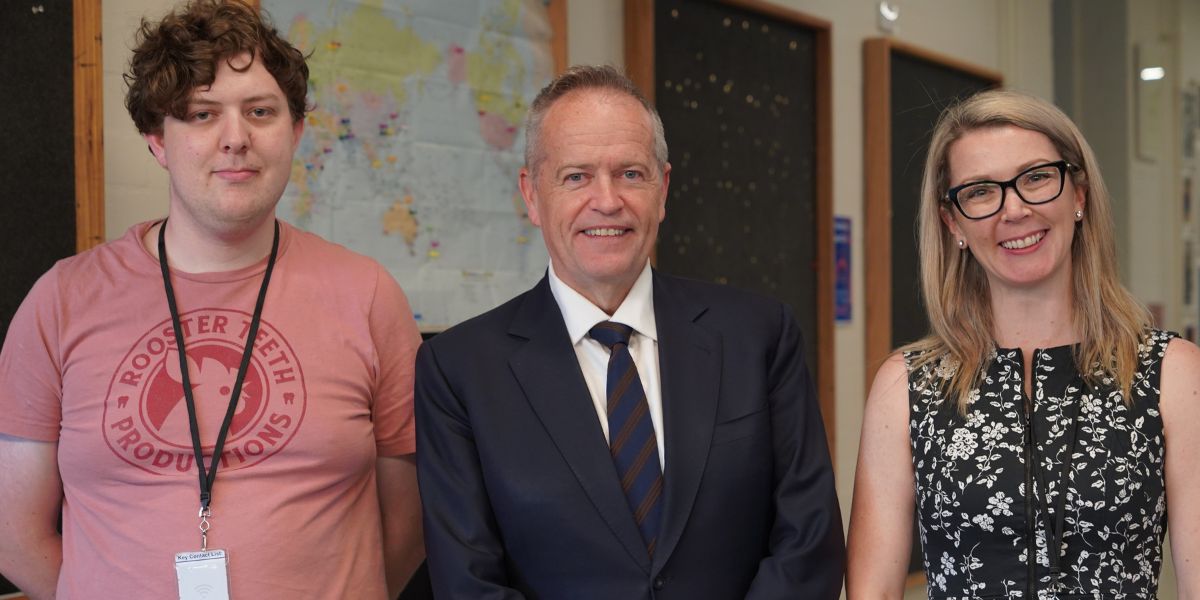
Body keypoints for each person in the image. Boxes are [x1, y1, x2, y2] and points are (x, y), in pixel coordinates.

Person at [0, 1, 425, 597]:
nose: (236, 139)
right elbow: (14, 532)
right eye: (201, 114)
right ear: (157, 140)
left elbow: (406, 525)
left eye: (261, 111)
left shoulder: (368, 295)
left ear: (296, 132)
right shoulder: (60, 301)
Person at [414, 65, 844, 599]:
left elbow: (808, 540)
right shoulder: (458, 370)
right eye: (576, 176)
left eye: (630, 174)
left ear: (662, 189)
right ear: (531, 194)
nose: (608, 200)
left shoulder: (759, 336)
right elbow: (467, 581)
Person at [846, 89, 1200, 599]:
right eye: (981, 191)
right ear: (953, 222)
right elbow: (871, 592)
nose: (1013, 210)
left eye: (1036, 178)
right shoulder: (908, 385)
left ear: (1078, 195)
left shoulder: (1170, 373)